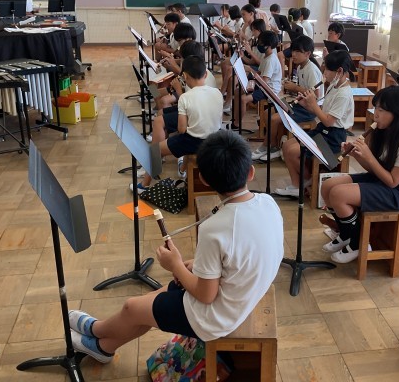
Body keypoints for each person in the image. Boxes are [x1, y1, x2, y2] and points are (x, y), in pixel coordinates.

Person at [70, 131, 284, 363]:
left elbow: (206, 295)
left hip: (215, 317)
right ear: (250, 172)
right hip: (241, 292)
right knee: (148, 303)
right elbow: (242, 253)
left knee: (133, 307)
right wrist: (195, 266)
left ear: (203, 179)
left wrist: (175, 265)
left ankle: (96, 331)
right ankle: (103, 348)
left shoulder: (214, 229)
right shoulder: (268, 202)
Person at [319, 85, 399, 263]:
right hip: (384, 178)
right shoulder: (386, 131)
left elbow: (393, 181)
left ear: (398, 113)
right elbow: (374, 169)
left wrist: (369, 157)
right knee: (328, 186)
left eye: (381, 110)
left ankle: (358, 243)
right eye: (376, 108)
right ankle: (346, 234)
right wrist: (359, 155)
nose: (376, 114)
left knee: (338, 194)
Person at [134, 55, 223, 189]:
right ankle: (180, 167)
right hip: (215, 137)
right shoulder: (217, 92)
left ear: (185, 76)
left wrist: (178, 91)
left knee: (155, 149)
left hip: (195, 139)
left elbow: (181, 129)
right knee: (160, 110)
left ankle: (144, 184)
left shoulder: (185, 96)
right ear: (205, 74)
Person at [275, 50, 354, 197]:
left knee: (292, 152)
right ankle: (298, 184)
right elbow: (322, 112)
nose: (324, 74)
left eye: (327, 70)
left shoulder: (343, 94)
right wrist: (306, 104)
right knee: (286, 146)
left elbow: (329, 121)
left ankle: (307, 181)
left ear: (339, 71)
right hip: (323, 130)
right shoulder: (334, 86)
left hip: (333, 138)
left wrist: (313, 104)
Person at [251, 35, 323, 161]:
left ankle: (266, 146)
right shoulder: (300, 66)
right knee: (268, 112)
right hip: (300, 104)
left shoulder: (311, 70)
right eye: (293, 50)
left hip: (309, 109)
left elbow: (316, 96)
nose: (293, 54)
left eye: (298, 52)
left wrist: (295, 88)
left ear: (307, 54)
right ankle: (274, 146)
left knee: (274, 119)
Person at [234, 30, 282, 125]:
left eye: (261, 43)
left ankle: (237, 124)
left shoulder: (270, 60)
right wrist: (243, 59)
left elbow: (264, 81)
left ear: (268, 46)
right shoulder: (266, 57)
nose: (259, 44)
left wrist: (250, 70)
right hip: (263, 85)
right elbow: (260, 72)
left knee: (243, 99)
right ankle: (235, 119)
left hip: (269, 90)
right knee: (237, 91)